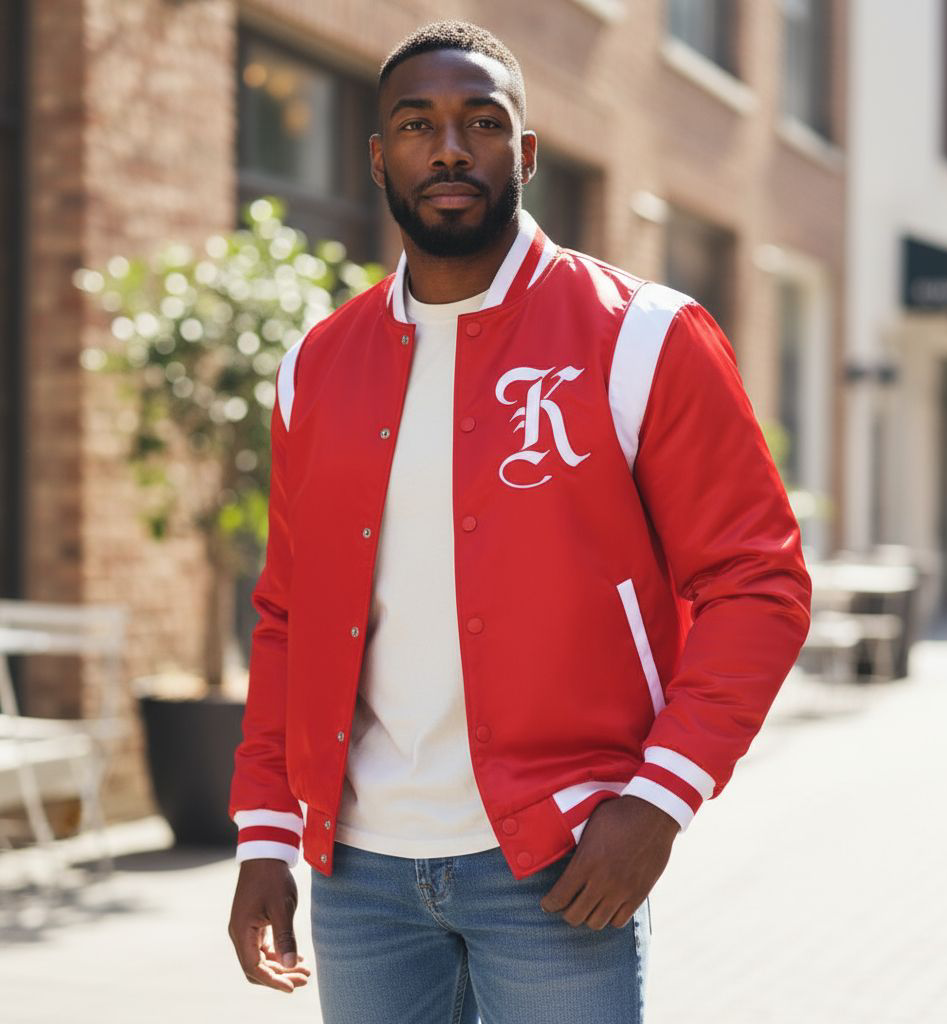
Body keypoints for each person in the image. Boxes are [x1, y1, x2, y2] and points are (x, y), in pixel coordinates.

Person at [227, 19, 812, 1024]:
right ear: (377, 158)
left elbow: (756, 583)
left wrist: (657, 800)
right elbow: (289, 613)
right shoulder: (316, 367)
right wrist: (267, 835)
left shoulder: (643, 336)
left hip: (559, 855)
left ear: (524, 152)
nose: (448, 148)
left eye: (480, 122)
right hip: (360, 874)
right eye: (416, 125)